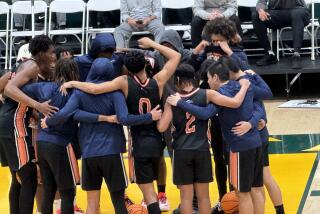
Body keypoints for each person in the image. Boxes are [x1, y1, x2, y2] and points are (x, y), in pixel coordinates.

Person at [60, 37, 181, 214]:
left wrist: (72, 83)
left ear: (127, 68)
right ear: (146, 64)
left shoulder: (123, 82)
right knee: (153, 189)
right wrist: (152, 45)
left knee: (148, 193)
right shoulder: (159, 81)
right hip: (157, 140)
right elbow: (176, 56)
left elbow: (94, 89)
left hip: (138, 143)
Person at [42, 58, 162, 214]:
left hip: (89, 153)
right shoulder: (115, 93)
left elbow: (66, 114)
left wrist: (48, 122)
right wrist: (148, 117)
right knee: (119, 202)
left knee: (92, 205)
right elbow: (124, 118)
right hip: (112, 152)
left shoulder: (79, 92)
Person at [167, 60, 266, 214]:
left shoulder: (221, 94)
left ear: (214, 77)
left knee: (243, 194)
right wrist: (253, 123)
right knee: (257, 189)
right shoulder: (243, 85)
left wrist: (180, 103)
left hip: (239, 146)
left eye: (207, 78)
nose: (207, 82)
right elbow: (260, 105)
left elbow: (205, 114)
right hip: (256, 142)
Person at [1, 35, 57, 214]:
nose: (53, 56)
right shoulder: (32, 66)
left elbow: (9, 93)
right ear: (41, 53)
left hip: (8, 121)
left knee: (17, 177)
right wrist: (38, 105)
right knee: (29, 177)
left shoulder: (24, 66)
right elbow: (9, 89)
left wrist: (34, 112)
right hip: (15, 125)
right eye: (51, 52)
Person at [221, 56, 285, 214]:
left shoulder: (243, 84)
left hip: (252, 138)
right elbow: (264, 99)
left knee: (254, 186)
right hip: (256, 136)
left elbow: (260, 103)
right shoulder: (248, 79)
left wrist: (254, 121)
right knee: (261, 182)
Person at [252, 0, 310, 69]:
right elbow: (261, 2)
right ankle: (269, 54)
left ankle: (296, 55)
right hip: (277, 13)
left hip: (298, 10)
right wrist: (260, 10)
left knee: (297, 13)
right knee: (255, 15)